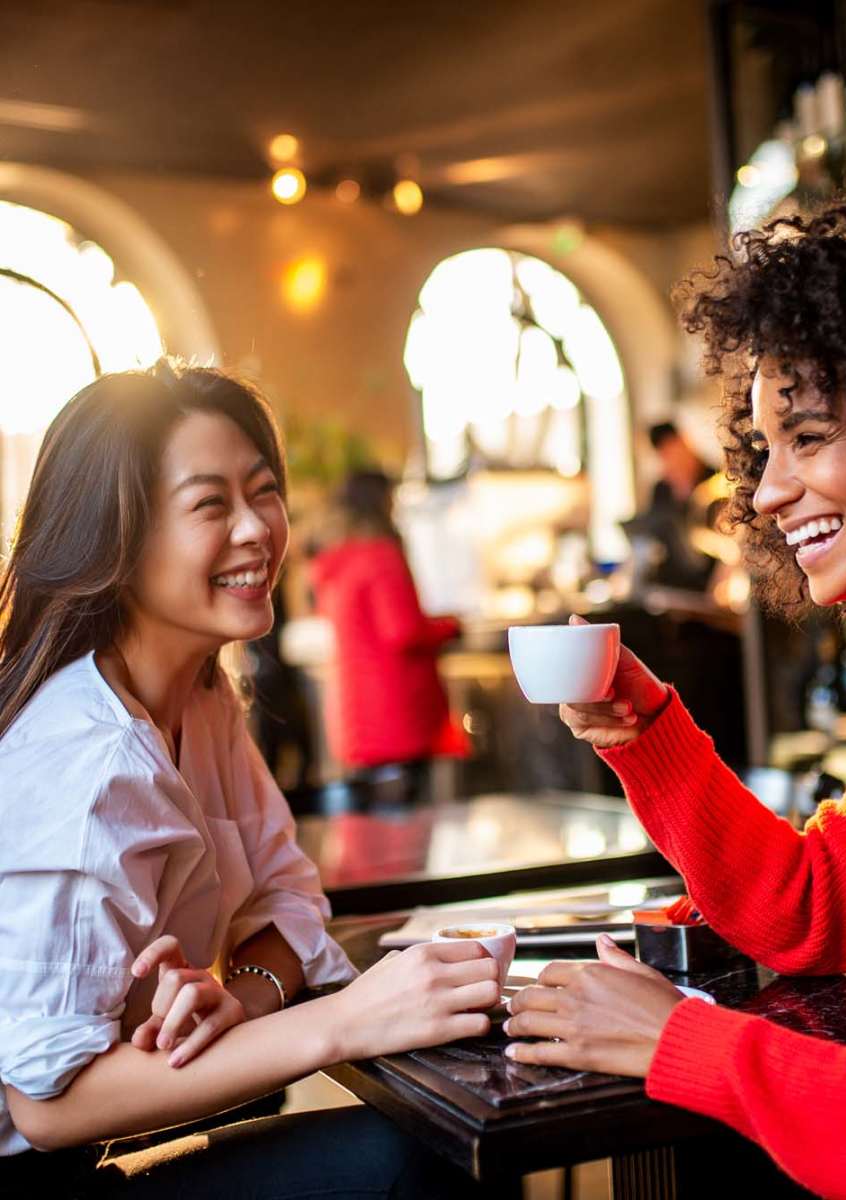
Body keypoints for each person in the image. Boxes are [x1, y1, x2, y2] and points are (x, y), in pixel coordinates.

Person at [503, 182, 846, 1198]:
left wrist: (679, 1040)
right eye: (764, 450)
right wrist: (642, 727)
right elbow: (812, 903)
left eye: (809, 437)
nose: (767, 492)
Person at [0, 363, 503, 1196]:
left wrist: (247, 996)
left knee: (425, 1146)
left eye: (263, 491)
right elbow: (47, 1101)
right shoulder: (85, 761)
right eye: (209, 504)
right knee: (407, 1159)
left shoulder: (201, 700)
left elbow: (290, 898)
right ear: (116, 537)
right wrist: (344, 1022)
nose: (257, 529)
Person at [310, 470, 463, 806]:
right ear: (380, 503)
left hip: (358, 720)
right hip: (396, 717)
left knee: (377, 839)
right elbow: (403, 631)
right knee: (407, 840)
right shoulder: (380, 557)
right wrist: (450, 626)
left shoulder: (336, 560)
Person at [623, 420, 716, 590]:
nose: (669, 461)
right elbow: (653, 530)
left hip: (708, 580)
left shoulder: (717, 482)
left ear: (684, 443)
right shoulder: (662, 489)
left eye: (671, 452)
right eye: (663, 455)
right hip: (671, 583)